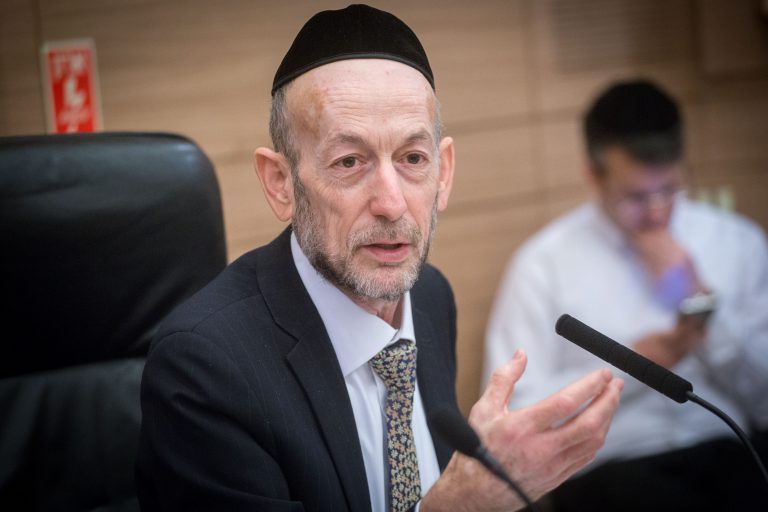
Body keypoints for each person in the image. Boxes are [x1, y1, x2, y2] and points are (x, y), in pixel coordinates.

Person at [136, 5, 623, 511]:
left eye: (413, 159)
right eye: (349, 162)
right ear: (281, 183)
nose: (391, 204)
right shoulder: (203, 368)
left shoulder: (430, 296)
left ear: (444, 173)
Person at [482, 79, 768, 510]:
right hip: (612, 470)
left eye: (669, 190)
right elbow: (513, 415)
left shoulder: (736, 241)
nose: (656, 212)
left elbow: (764, 401)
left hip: (730, 451)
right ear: (594, 176)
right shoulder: (543, 264)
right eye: (636, 196)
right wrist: (638, 364)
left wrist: (702, 302)